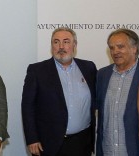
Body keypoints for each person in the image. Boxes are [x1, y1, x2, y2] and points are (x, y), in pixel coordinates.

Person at [21, 27, 96, 156]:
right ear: (52, 46)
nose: (61, 46)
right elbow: (28, 107)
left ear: (74, 45)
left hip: (82, 143)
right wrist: (32, 138)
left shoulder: (88, 68)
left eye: (66, 41)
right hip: (49, 144)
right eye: (56, 42)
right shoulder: (37, 71)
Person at [95, 28, 139, 156]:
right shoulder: (102, 74)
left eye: (120, 47)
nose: (115, 51)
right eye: (111, 48)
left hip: (137, 150)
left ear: (134, 48)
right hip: (108, 150)